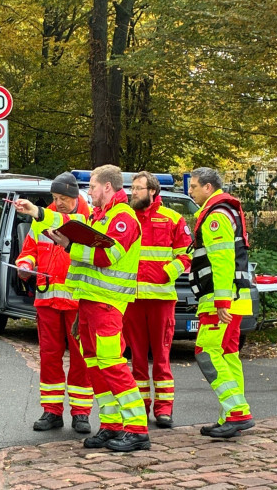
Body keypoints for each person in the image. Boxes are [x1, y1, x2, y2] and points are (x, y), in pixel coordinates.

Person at [15, 165, 150, 452]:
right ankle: (111, 424)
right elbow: (66, 219)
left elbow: (108, 257)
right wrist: (35, 211)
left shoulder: (122, 218)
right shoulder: (99, 216)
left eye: (93, 186)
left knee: (112, 365)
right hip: (89, 304)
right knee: (95, 365)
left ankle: (137, 429)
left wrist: (69, 246)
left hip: (107, 305)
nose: (89, 191)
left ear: (107, 187)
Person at [15, 172, 94, 434]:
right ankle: (52, 411)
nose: (58, 202)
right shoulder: (43, 218)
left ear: (75, 196)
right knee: (49, 357)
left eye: (63, 198)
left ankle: (81, 413)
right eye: (55, 197)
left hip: (77, 304)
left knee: (81, 359)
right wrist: (25, 265)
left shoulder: (89, 218)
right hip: (47, 301)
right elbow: (29, 251)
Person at [188, 167, 255, 439]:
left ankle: (237, 413)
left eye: (193, 186)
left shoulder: (215, 215)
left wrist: (221, 301)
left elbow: (223, 260)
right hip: (234, 297)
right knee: (227, 355)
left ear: (208, 187)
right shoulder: (225, 211)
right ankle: (231, 415)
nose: (189, 191)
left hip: (221, 299)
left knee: (206, 352)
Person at [123, 171, 192, 428]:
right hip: (132, 299)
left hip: (161, 299)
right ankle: (140, 408)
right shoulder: (127, 218)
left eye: (138, 188)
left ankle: (164, 409)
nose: (133, 192)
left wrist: (167, 273)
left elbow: (186, 255)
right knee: (137, 358)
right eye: (132, 188)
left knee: (162, 357)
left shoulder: (172, 218)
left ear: (152, 191)